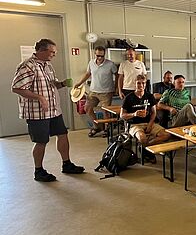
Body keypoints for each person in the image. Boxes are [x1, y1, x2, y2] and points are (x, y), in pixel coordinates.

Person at [11, 38, 84, 182]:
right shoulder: (28, 66)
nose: (54, 55)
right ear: (41, 51)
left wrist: (62, 84)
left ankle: (67, 164)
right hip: (37, 113)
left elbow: (51, 84)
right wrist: (40, 98)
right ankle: (38, 171)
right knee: (41, 141)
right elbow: (17, 88)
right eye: (52, 52)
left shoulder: (47, 66)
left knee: (62, 134)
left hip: (54, 110)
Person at [121, 74, 171, 163]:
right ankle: (147, 151)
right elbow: (122, 115)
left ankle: (145, 149)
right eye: (138, 83)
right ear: (135, 84)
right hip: (134, 125)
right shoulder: (128, 98)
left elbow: (154, 112)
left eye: (143, 83)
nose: (141, 85)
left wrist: (150, 124)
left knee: (166, 135)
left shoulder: (149, 96)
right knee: (142, 137)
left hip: (149, 123)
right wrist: (134, 114)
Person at [73, 46, 117, 137]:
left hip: (106, 92)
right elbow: (88, 74)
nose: (99, 58)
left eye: (101, 56)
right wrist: (80, 83)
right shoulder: (91, 63)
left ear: (104, 54)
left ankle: (107, 129)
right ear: (95, 54)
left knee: (106, 112)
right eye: (98, 56)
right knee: (87, 109)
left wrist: (116, 88)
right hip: (93, 91)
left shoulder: (110, 64)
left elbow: (118, 75)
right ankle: (97, 127)